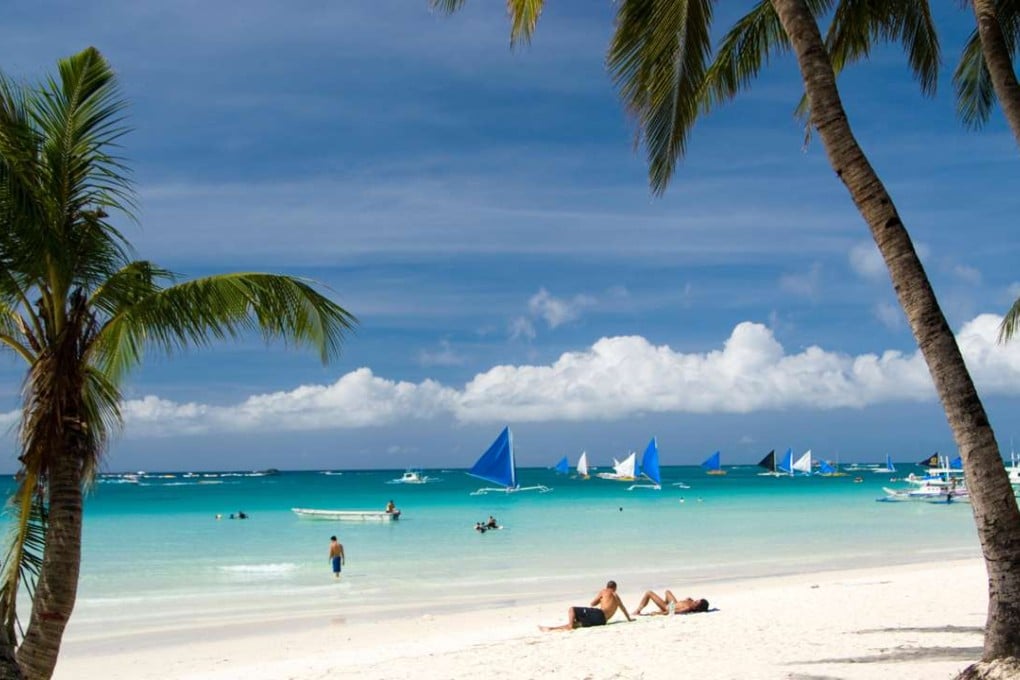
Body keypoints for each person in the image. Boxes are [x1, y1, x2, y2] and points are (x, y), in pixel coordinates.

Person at [540, 580, 633, 632]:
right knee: (578, 624)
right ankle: (551, 628)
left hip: (599, 614)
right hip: (603, 621)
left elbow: (592, 603)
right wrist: (629, 619)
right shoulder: (617, 596)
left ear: (607, 586)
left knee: (572, 609)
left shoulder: (604, 591)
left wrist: (600, 599)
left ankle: (568, 626)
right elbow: (623, 609)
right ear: (615, 588)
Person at [633, 589, 709, 616]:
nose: (695, 602)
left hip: (668, 607)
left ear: (697, 608)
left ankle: (638, 610)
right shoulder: (691, 602)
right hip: (673, 603)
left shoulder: (687, 608)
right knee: (667, 591)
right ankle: (662, 608)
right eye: (696, 601)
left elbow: (672, 612)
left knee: (649, 593)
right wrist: (688, 600)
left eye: (696, 603)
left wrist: (659, 613)